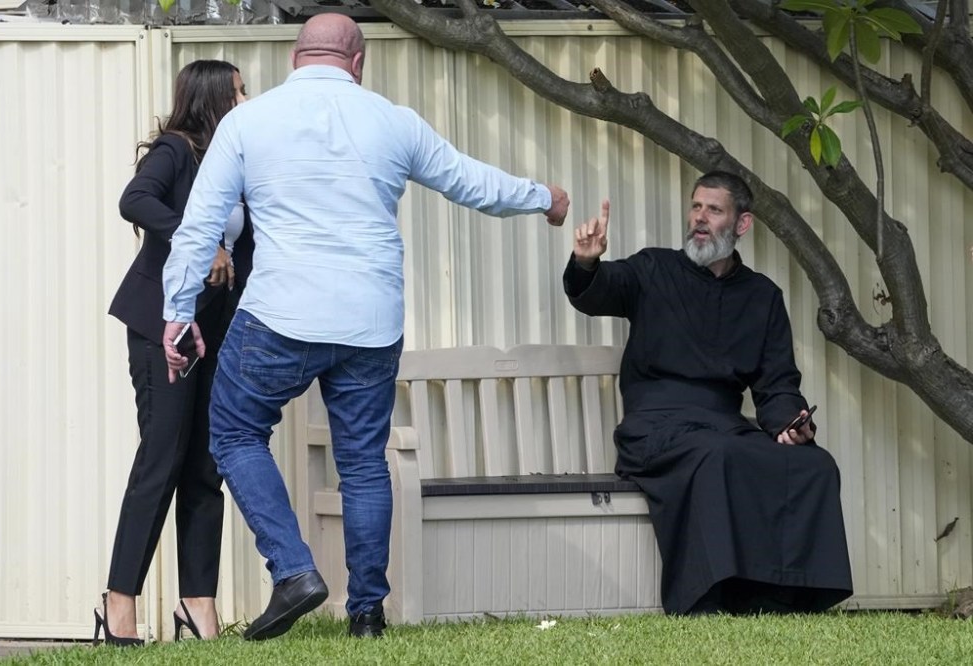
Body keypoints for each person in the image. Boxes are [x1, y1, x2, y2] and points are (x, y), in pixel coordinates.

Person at [159, 13, 569, 640]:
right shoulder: (392, 120)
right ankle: (367, 614)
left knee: (235, 431)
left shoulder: (247, 121)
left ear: (298, 58)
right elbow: (469, 181)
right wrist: (544, 197)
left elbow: (197, 225)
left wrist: (178, 313)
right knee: (363, 464)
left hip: (280, 314)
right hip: (369, 322)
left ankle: (294, 570)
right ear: (357, 63)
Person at [564, 171, 853, 615]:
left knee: (815, 465)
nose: (700, 218)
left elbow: (777, 384)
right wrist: (586, 262)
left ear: (741, 224)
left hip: (722, 426)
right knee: (717, 454)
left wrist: (793, 422)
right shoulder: (652, 268)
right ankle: (710, 598)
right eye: (696, 206)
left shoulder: (762, 296)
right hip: (654, 427)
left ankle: (787, 596)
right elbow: (598, 291)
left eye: (714, 210)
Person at [96, 59, 254, 646]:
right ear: (214, 96)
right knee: (162, 456)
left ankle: (198, 605)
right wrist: (201, 239)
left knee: (204, 466)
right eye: (239, 90)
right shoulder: (177, 149)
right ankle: (118, 603)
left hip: (218, 327)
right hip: (160, 323)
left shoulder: (236, 161)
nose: (247, 98)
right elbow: (134, 199)